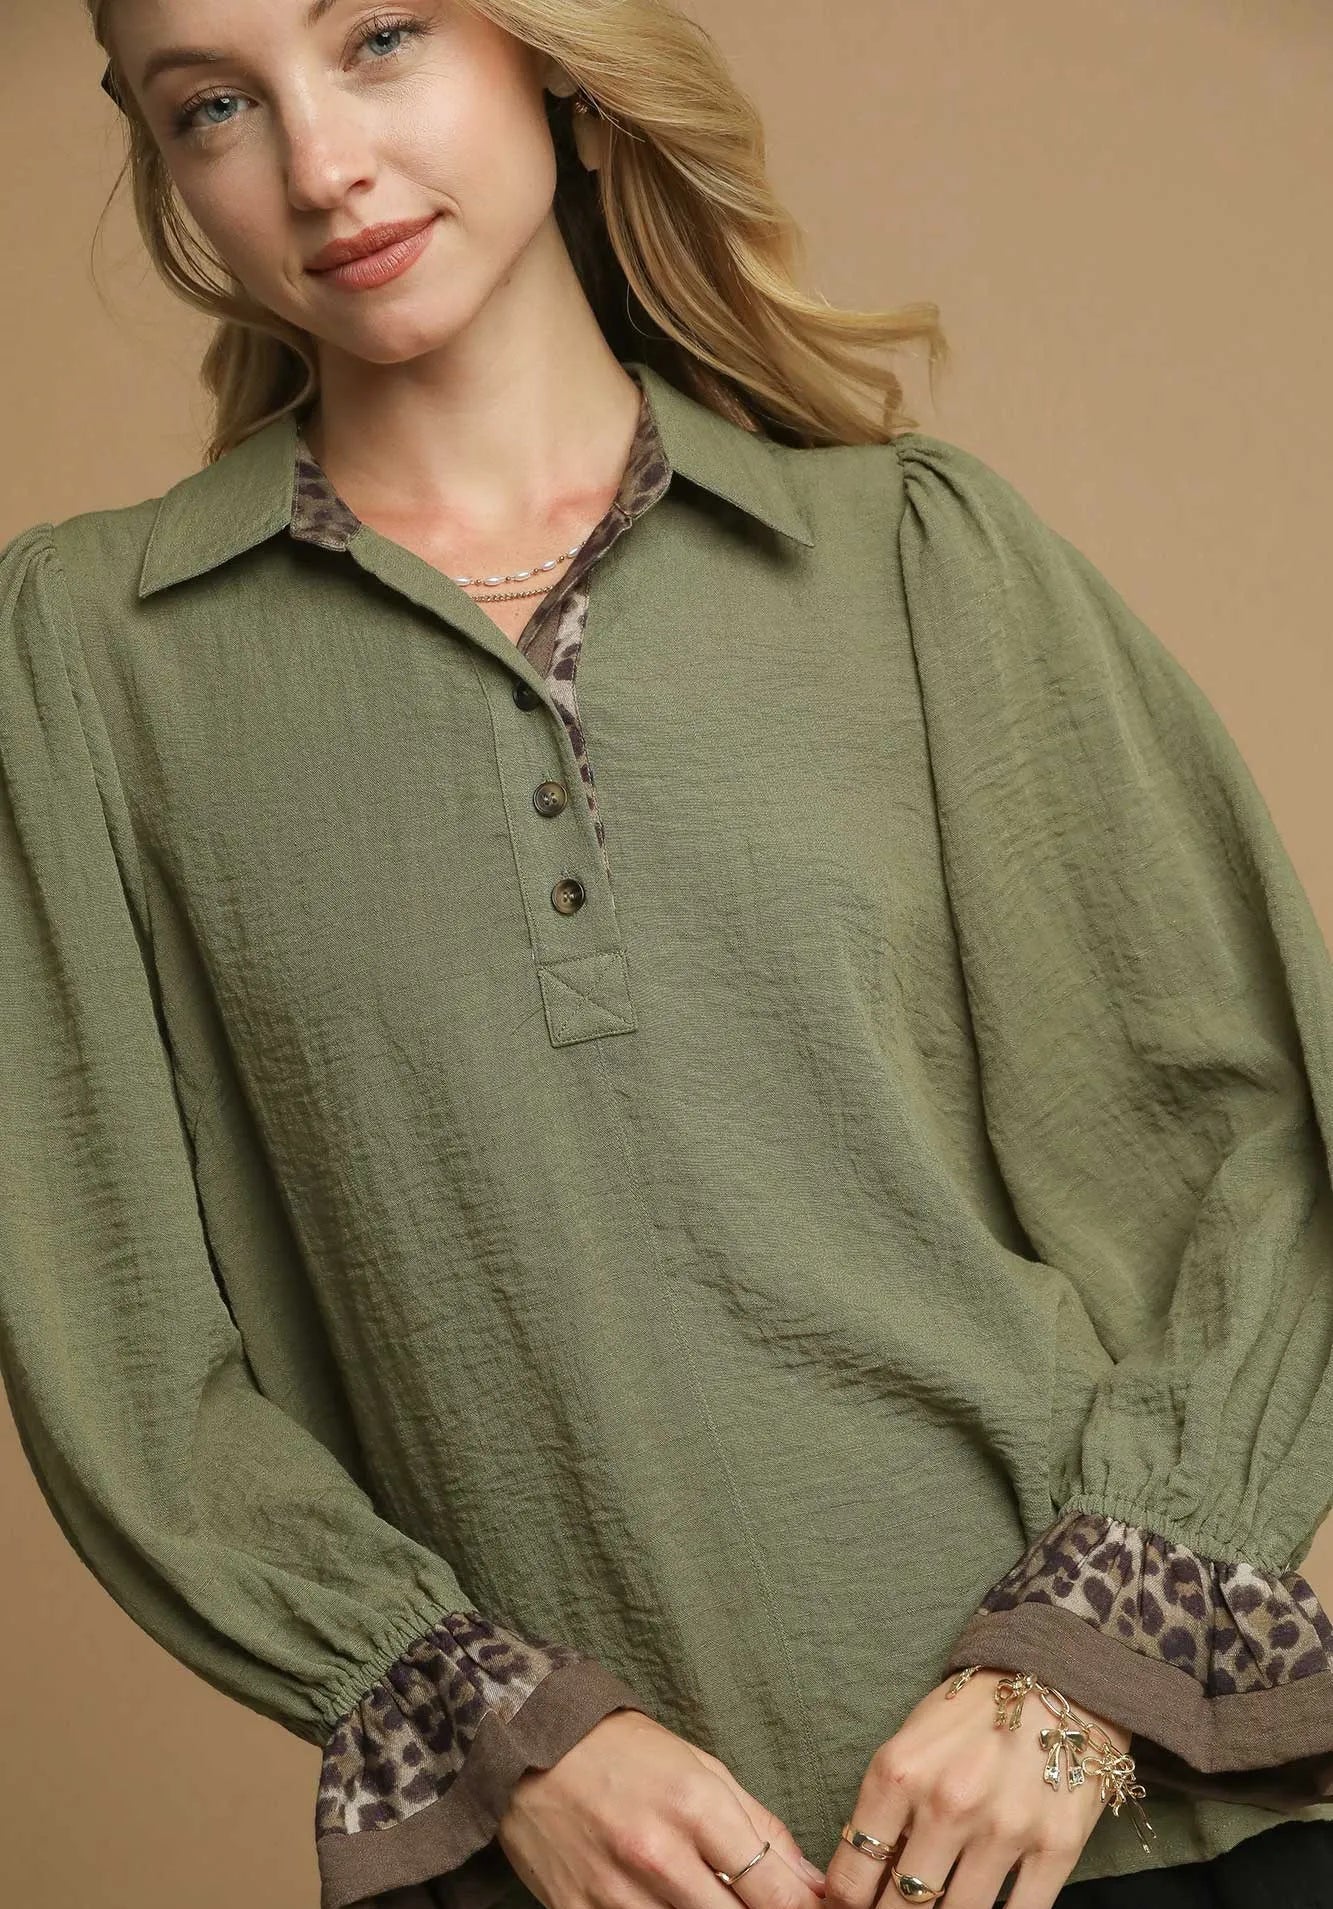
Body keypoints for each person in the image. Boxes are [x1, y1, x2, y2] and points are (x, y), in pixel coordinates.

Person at [3, 3, 1331, 1906]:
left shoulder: (905, 555)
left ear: (545, 48)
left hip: (1097, 1830)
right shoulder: (84, 659)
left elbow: (1256, 1152)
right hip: (570, 1870)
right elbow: (121, 1347)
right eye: (214, 104)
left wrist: (1069, 1689)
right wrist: (506, 1734)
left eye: (378, 35)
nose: (319, 164)